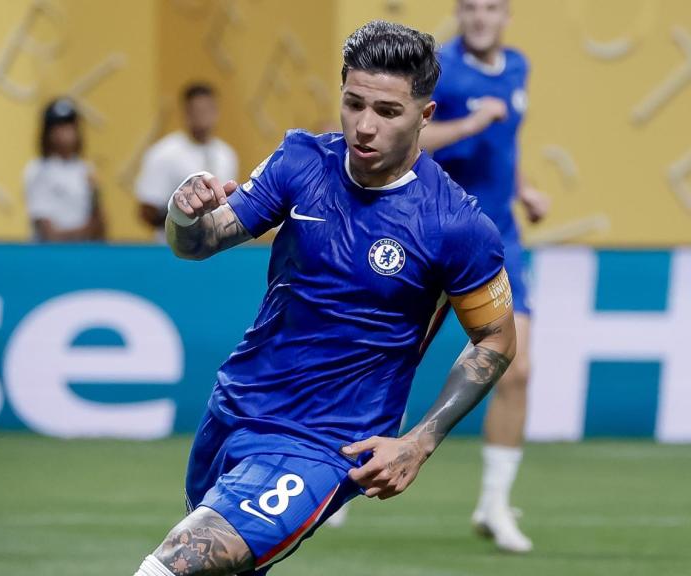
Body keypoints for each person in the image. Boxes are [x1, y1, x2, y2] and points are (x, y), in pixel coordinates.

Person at [131, 20, 517, 576]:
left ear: (424, 117)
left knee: (174, 565)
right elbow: (200, 243)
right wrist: (182, 214)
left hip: (324, 444)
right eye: (353, 104)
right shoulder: (300, 161)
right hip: (236, 410)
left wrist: (419, 442)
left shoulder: (456, 224)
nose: (365, 127)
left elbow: (497, 338)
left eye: (387, 112)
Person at [419, 0, 549, 553]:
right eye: (470, 7)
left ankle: (494, 503)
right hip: (434, 232)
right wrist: (472, 121)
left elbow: (505, 143)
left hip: (499, 241)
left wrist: (524, 187)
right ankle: (337, 477)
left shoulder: (517, 66)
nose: (480, 18)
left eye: (491, 8)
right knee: (388, 361)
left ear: (507, 15)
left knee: (517, 370)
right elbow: (412, 142)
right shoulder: (437, 68)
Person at [135, 83, 238, 240]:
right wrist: (185, 222)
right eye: (198, 110)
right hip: (173, 249)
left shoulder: (227, 154)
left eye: (208, 109)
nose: (204, 116)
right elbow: (147, 210)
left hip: (216, 248)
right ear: (186, 113)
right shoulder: (163, 153)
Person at [24, 98, 106, 242]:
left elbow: (100, 228)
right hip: (51, 256)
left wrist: (96, 195)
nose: (66, 132)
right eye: (59, 127)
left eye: (70, 125)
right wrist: (86, 231)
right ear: (48, 133)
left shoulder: (85, 170)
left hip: (83, 255)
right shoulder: (38, 170)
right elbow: (48, 233)